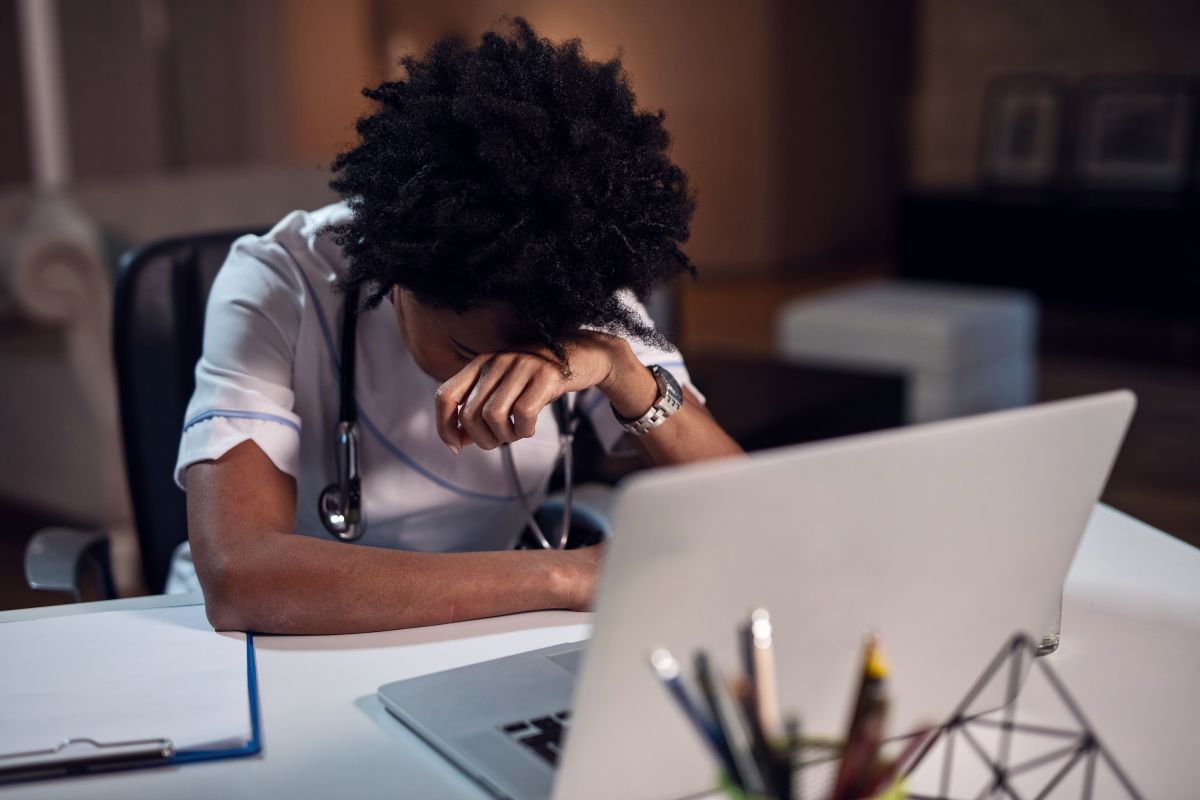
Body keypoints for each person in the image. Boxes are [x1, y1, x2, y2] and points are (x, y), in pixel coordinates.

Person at [174, 16, 743, 635]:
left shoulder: (569, 277)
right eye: (466, 348)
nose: (499, 377)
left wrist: (621, 370)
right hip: (266, 643)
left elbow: (746, 510)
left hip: (470, 629)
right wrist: (567, 576)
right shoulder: (278, 281)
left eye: (538, 353)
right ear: (401, 280)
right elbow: (241, 578)